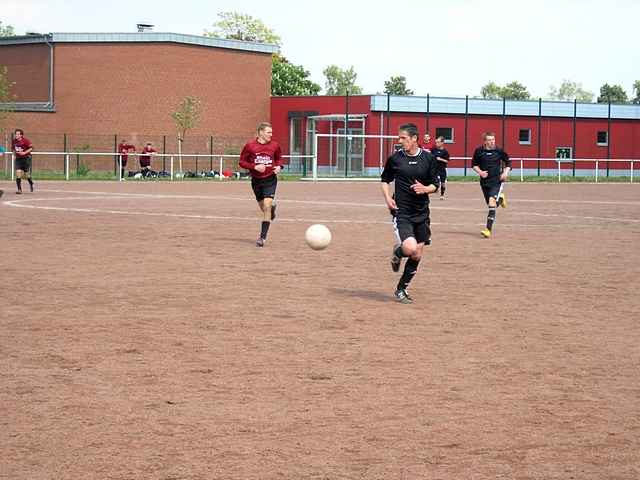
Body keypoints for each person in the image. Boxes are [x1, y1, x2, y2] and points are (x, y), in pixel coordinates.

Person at [382, 123, 440, 304]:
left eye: (403, 138)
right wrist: (387, 198)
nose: (400, 141)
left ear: (414, 138)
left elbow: (435, 185)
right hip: (402, 213)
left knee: (417, 255)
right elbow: (385, 180)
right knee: (410, 249)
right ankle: (398, 252)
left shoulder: (429, 159)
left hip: (422, 213)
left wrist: (425, 189)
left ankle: (401, 289)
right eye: (399, 138)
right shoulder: (395, 159)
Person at [239, 122, 283, 247]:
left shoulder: (275, 145)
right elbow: (242, 162)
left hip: (270, 179)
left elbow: (279, 158)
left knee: (267, 206)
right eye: (269, 132)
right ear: (261, 132)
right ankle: (271, 211)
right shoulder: (250, 146)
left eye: (271, 132)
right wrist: (254, 166)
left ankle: (262, 238)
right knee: (264, 208)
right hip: (256, 181)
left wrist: (279, 166)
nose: (271, 134)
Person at [472, 132, 511, 238]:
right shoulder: (478, 151)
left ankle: (488, 230)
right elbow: (474, 165)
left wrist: (505, 173)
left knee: (491, 203)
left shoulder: (499, 151)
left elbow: (508, 163)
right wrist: (480, 172)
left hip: (496, 182)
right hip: (484, 182)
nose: (492, 141)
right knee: (492, 204)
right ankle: (501, 198)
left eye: (493, 139)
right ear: (484, 141)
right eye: (489, 139)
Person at [12, 129, 34, 194]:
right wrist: (14, 155)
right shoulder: (14, 141)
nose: (16, 135)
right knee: (18, 173)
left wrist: (24, 152)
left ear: (21, 135)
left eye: (18, 134)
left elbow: (31, 148)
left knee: (26, 175)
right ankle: (19, 190)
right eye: (16, 134)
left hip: (26, 158)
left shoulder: (25, 141)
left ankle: (31, 183)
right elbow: (13, 149)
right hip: (18, 159)